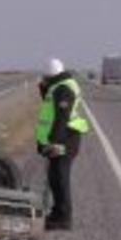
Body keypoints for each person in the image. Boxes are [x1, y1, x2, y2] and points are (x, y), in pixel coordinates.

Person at [36, 58, 90, 231]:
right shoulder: (58, 85)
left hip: (65, 138)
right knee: (54, 178)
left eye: (46, 77)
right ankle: (57, 212)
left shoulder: (64, 88)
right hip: (64, 137)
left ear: (52, 75)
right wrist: (43, 88)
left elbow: (61, 118)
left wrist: (54, 142)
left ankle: (64, 218)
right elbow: (50, 105)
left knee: (60, 178)